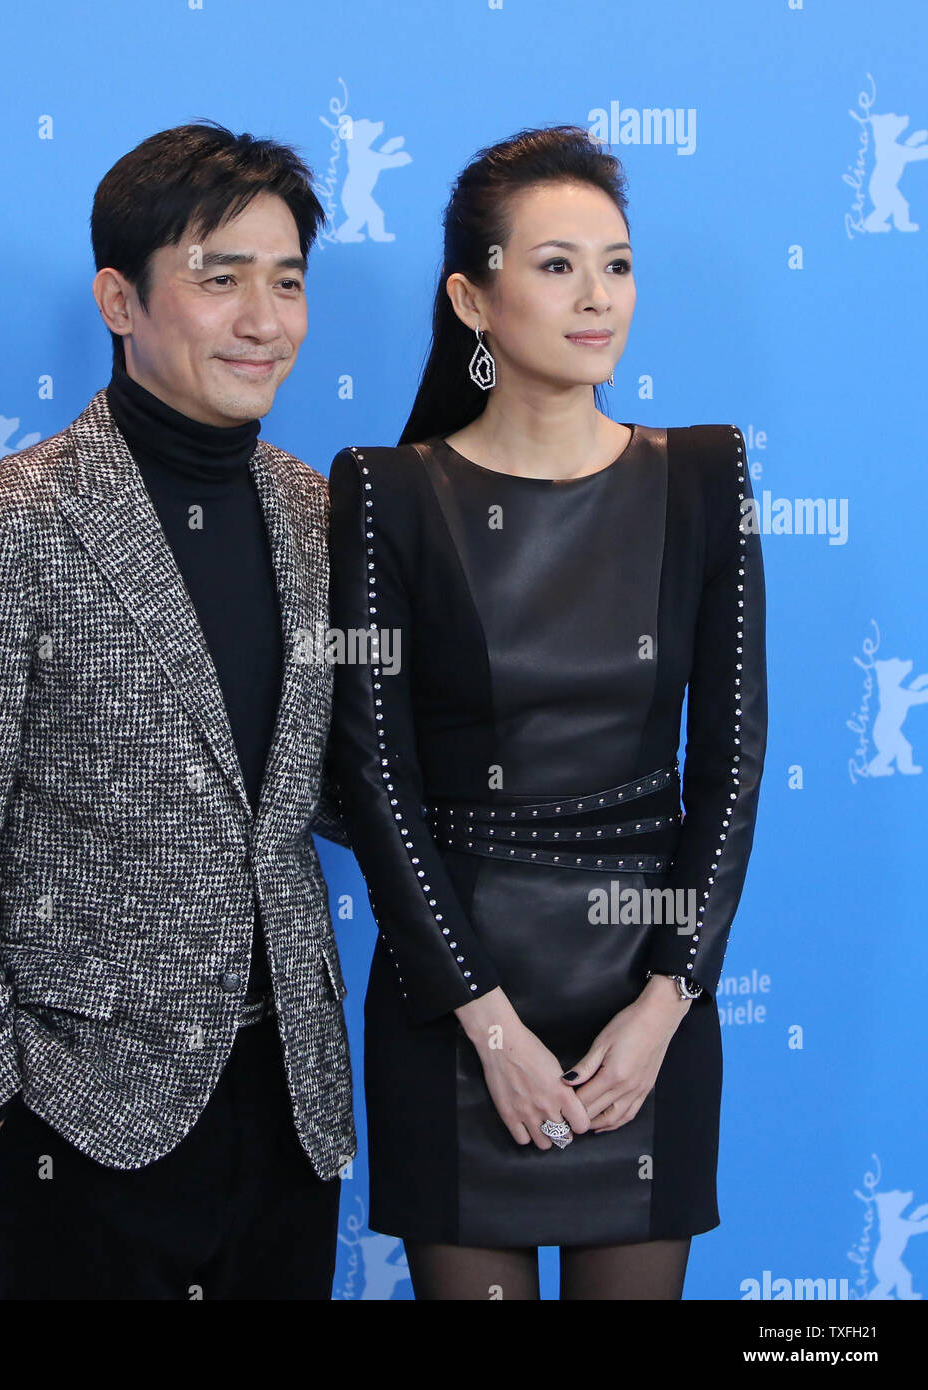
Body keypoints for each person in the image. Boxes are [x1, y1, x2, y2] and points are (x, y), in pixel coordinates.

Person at [0, 122, 355, 1300]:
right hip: (85, 1115)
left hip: (290, 1103)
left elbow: (324, 787)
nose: (263, 319)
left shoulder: (316, 512)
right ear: (118, 299)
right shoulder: (0, 523)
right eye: (219, 277)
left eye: (287, 282)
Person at [327, 125, 767, 1300]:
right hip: (457, 994)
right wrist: (488, 1022)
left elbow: (728, 762)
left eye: (617, 264)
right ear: (473, 297)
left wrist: (670, 1001)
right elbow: (375, 777)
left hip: (648, 1001)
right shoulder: (384, 493)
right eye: (557, 264)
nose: (598, 297)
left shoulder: (705, 475)